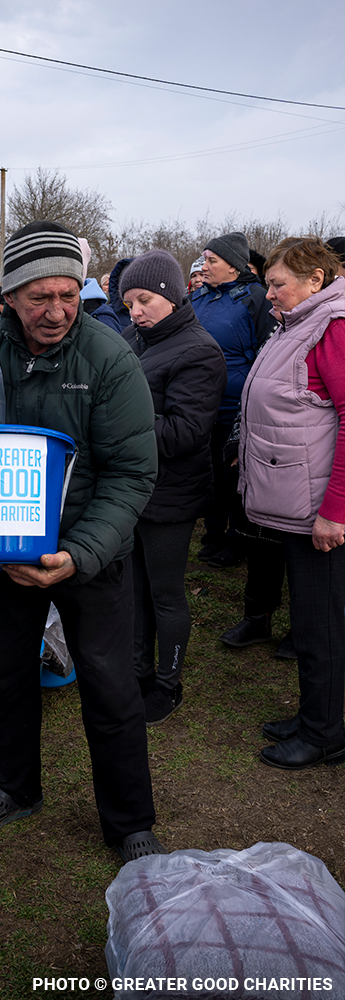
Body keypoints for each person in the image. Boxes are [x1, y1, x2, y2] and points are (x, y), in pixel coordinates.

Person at [0, 220, 165, 862]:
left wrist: (81, 554)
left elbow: (133, 472)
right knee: (6, 672)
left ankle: (129, 822)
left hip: (88, 552)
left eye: (68, 294)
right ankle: (15, 788)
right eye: (39, 296)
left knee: (109, 685)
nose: (56, 311)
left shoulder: (108, 358)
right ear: (10, 295)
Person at [240, 237, 345, 770]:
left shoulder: (333, 327)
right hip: (298, 497)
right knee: (309, 618)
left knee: (319, 622)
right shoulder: (299, 324)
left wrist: (336, 511)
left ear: (316, 281)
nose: (270, 294)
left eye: (278, 284)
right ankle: (314, 716)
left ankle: (325, 733)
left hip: (319, 510)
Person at [119, 251, 226, 724]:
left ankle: (169, 682)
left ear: (169, 294)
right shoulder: (134, 339)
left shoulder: (199, 350)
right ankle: (139, 672)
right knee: (134, 587)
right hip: (131, 488)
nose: (135, 311)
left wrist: (117, 422)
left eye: (143, 300)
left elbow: (186, 432)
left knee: (165, 592)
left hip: (171, 493)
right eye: (128, 303)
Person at [192, 231, 277, 567]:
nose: (205, 266)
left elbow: (266, 353)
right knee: (208, 473)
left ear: (233, 266)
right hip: (200, 406)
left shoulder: (256, 298)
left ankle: (236, 539)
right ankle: (212, 533)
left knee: (234, 478)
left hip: (236, 408)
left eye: (212, 260)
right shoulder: (199, 298)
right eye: (205, 259)